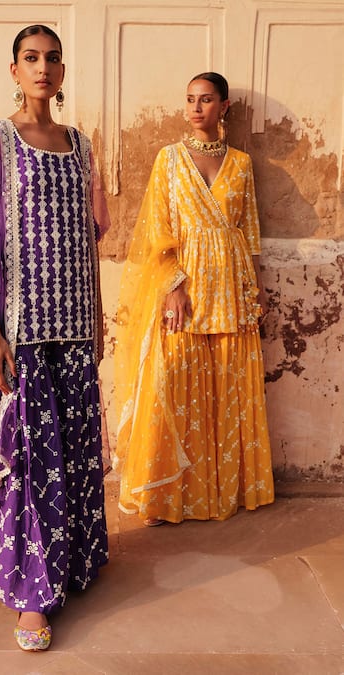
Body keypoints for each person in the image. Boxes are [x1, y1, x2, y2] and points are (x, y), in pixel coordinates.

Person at [0, 24, 110, 652]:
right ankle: (31, 593)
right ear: (14, 70)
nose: (42, 68)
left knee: (71, 453)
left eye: (52, 59)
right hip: (20, 328)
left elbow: (87, 241)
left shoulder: (81, 144)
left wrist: (96, 316)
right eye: (30, 58)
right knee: (26, 460)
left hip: (72, 325)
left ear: (62, 72)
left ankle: (72, 560)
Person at [114, 72, 274, 527]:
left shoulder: (241, 163)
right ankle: (165, 495)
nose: (196, 108)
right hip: (183, 283)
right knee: (173, 384)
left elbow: (249, 231)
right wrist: (173, 287)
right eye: (190, 100)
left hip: (231, 285)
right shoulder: (169, 159)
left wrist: (255, 286)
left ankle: (224, 490)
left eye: (205, 100)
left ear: (224, 107)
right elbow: (158, 228)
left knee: (227, 386)